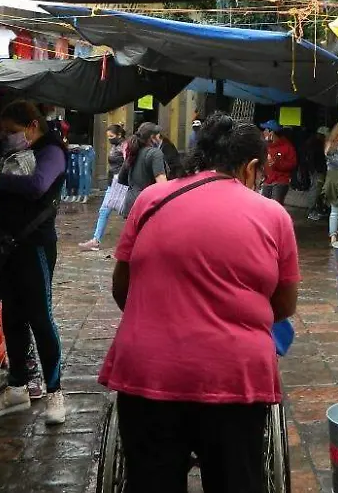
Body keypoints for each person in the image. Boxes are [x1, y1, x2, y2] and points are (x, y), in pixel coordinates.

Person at [101, 113, 299, 493]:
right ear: (252, 167)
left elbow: (122, 287)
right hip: (234, 378)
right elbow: (284, 306)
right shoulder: (273, 215)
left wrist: (162, 316)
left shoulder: (151, 199)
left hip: (146, 373)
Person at [0, 101, 68, 425]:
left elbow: (37, 185)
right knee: (12, 317)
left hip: (35, 246)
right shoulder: (9, 153)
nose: (8, 137)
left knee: (41, 318)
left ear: (31, 125)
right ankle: (17, 387)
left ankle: (55, 393)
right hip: (8, 247)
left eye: (13, 131)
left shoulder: (52, 151)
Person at [78, 124, 131, 252]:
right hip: (112, 183)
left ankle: (138, 238)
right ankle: (96, 240)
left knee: (127, 212)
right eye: (108, 137)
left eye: (111, 136)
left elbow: (128, 162)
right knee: (104, 211)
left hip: (121, 184)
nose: (109, 139)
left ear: (119, 135)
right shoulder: (115, 146)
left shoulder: (125, 145)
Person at [120, 122, 169, 216]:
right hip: (148, 203)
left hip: (131, 203)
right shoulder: (155, 153)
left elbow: (121, 178)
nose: (160, 139)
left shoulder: (133, 151)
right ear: (152, 137)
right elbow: (162, 184)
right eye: (159, 136)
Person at [259, 120, 297, 205]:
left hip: (280, 181)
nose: (263, 132)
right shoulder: (266, 146)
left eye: (265, 130)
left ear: (271, 132)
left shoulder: (287, 146)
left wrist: (277, 164)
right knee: (264, 205)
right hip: (267, 181)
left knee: (276, 206)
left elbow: (292, 164)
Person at [302, 127, 329, 221]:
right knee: (315, 190)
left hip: (315, 170)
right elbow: (312, 159)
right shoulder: (316, 144)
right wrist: (315, 170)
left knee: (317, 189)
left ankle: (316, 209)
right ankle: (311, 211)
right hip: (317, 171)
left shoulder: (312, 142)